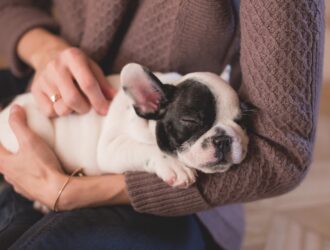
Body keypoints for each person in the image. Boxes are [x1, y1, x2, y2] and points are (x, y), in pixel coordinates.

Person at [0, 0, 324, 249]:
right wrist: (45, 50)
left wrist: (68, 192)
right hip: (45, 115)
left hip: (174, 202)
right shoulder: (154, 98)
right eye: (196, 124)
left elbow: (282, 152)